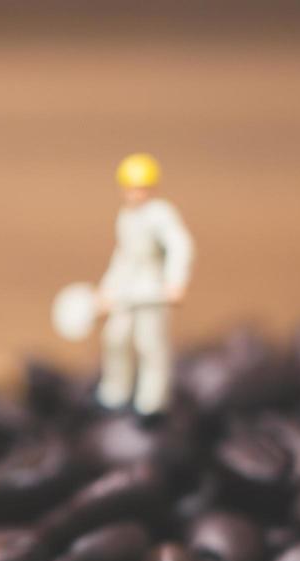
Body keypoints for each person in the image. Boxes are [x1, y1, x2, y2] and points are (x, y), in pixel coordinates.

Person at [96, 153, 195, 416]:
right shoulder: (125, 217)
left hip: (152, 289)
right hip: (126, 288)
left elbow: (180, 245)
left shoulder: (160, 214)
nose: (135, 194)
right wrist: (107, 287)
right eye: (130, 188)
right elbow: (122, 256)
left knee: (150, 344)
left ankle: (151, 404)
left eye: (141, 189)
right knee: (115, 337)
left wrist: (176, 281)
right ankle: (115, 394)